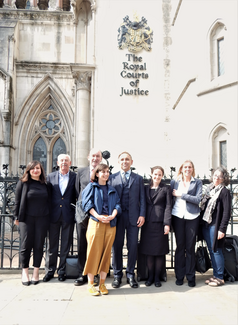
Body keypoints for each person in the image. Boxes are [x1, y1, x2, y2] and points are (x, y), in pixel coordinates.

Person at [82, 163, 121, 296]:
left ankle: (102, 284)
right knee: (93, 252)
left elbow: (117, 204)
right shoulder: (91, 187)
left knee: (106, 254)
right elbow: (86, 204)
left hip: (110, 223)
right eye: (103, 172)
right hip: (96, 222)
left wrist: (113, 215)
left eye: (107, 171)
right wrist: (98, 216)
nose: (106, 174)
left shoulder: (112, 189)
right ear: (97, 173)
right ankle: (90, 284)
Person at [109, 152, 146, 288]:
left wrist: (142, 215)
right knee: (116, 246)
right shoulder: (112, 178)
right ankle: (117, 275)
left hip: (134, 217)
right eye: (122, 159)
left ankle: (131, 274)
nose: (125, 161)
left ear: (131, 162)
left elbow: (142, 198)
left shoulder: (138, 178)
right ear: (119, 162)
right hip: (117, 217)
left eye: (127, 159)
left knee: (132, 246)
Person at [14, 160, 51, 285]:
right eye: (33, 168)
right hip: (26, 219)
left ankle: (36, 272)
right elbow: (17, 201)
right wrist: (16, 217)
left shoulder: (45, 185)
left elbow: (49, 202)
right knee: (25, 245)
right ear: (29, 171)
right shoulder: (23, 183)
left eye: (38, 168)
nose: (35, 170)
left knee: (39, 245)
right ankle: (25, 272)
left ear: (41, 170)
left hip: (42, 218)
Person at [43, 154, 77, 282]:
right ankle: (49, 271)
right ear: (58, 163)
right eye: (62, 160)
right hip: (53, 215)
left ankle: (62, 271)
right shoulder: (50, 177)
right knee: (51, 245)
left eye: (66, 161)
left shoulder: (75, 177)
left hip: (68, 215)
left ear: (70, 162)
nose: (64, 162)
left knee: (65, 246)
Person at [171, 160, 202, 287]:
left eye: (190, 167)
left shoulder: (197, 182)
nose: (187, 169)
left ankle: (190, 276)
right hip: (177, 216)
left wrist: (182, 195)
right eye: (185, 167)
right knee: (180, 247)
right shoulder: (175, 182)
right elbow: (171, 198)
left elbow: (198, 199)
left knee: (190, 247)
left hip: (192, 217)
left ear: (192, 169)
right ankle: (179, 276)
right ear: (181, 169)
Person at [74, 148, 102, 286]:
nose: (95, 158)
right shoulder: (80, 172)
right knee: (81, 244)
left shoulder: (103, 171)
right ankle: (82, 274)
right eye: (93, 156)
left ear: (101, 159)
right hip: (82, 214)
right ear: (88, 157)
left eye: (98, 156)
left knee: (95, 246)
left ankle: (95, 274)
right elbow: (77, 191)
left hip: (97, 215)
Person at [140, 166, 172, 287]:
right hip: (147, 223)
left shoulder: (166, 188)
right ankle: (150, 277)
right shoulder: (145, 188)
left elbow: (169, 206)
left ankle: (157, 278)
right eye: (155, 174)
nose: (157, 177)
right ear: (151, 175)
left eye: (159, 175)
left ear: (162, 176)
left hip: (160, 224)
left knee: (159, 252)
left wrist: (167, 223)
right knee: (149, 252)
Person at [200, 167, 231, 287]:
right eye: (215, 175)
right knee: (211, 250)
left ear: (224, 179)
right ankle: (215, 275)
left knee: (216, 250)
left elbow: (226, 212)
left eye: (220, 176)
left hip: (215, 226)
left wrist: (222, 229)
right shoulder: (209, 189)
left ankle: (220, 277)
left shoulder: (224, 192)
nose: (216, 178)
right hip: (207, 224)